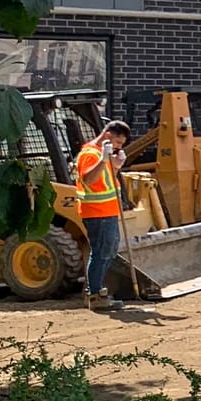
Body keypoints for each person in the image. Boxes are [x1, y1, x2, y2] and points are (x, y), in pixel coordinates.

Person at [75, 119, 131, 311]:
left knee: (109, 250)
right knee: (101, 252)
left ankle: (95, 290)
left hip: (108, 210)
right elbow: (89, 179)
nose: (118, 147)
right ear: (107, 136)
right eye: (117, 143)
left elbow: (105, 181)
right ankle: (95, 293)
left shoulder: (102, 154)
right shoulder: (90, 154)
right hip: (97, 212)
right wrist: (104, 160)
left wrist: (115, 166)